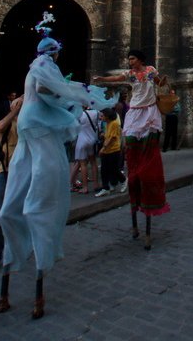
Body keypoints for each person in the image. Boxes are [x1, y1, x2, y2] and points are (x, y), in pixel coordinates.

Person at [0, 15, 116, 318]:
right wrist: (82, 93)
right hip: (41, 139)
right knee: (40, 207)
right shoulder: (45, 67)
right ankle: (36, 281)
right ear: (54, 53)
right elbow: (54, 91)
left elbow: (47, 93)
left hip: (28, 139)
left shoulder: (33, 69)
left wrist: (71, 94)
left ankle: (7, 289)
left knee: (14, 207)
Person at [93, 50, 170, 244]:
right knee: (133, 150)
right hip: (135, 112)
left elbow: (160, 81)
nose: (130, 61)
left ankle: (143, 175)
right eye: (129, 59)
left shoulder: (151, 70)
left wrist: (165, 85)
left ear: (141, 59)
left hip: (150, 111)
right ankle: (132, 175)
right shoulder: (130, 74)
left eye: (133, 58)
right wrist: (102, 77)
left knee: (149, 152)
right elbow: (118, 77)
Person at [0, 95, 23, 275]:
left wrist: (23, 99)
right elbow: (0, 126)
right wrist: (15, 109)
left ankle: (15, 249)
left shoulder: (21, 122)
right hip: (5, 172)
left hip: (20, 174)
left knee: (18, 213)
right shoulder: (5, 125)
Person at [95, 108, 127, 196]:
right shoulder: (107, 124)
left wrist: (103, 148)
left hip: (113, 150)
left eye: (102, 116)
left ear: (107, 116)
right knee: (104, 169)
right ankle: (105, 188)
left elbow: (111, 138)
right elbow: (107, 136)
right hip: (107, 150)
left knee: (113, 169)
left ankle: (123, 180)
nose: (101, 117)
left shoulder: (114, 123)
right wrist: (103, 135)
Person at [70, 105, 100, 194]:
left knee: (83, 164)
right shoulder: (96, 113)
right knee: (93, 162)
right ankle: (96, 184)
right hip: (92, 140)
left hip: (82, 140)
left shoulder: (80, 114)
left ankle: (85, 187)